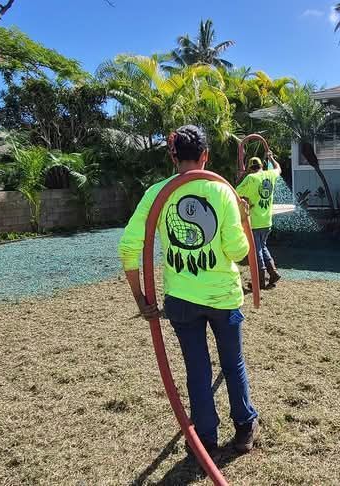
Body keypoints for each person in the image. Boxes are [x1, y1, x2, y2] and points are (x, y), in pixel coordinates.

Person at [118, 125, 260, 454]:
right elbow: (238, 252)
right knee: (232, 363)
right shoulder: (222, 191)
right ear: (205, 156)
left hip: (181, 301)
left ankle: (205, 438)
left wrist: (141, 298)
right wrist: (241, 220)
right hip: (223, 298)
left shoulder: (157, 193)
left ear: (173, 156)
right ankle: (243, 429)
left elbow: (128, 247)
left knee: (197, 368)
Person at [235, 154, 282, 289]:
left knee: (256, 251)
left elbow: (235, 192)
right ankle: (273, 273)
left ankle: (259, 281)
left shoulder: (250, 178)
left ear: (250, 168)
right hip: (267, 221)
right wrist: (271, 158)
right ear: (261, 166)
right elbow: (278, 168)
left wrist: (242, 176)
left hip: (255, 222)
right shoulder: (270, 175)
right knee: (262, 246)